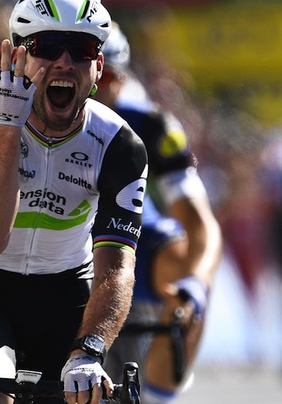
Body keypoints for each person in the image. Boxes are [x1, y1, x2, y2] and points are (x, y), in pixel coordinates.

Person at [0, 0, 148, 404]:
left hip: (66, 293)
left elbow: (116, 264)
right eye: (47, 46)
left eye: (82, 49)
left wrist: (90, 351)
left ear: (100, 66)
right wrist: (8, 127)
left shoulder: (119, 146)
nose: (65, 62)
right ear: (18, 57)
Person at [93, 23, 222, 403]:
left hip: (131, 236)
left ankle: (159, 397)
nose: (102, 88)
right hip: (58, 240)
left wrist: (195, 286)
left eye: (111, 76)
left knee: (190, 267)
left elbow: (201, 226)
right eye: (96, 77)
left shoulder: (151, 124)